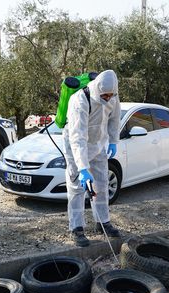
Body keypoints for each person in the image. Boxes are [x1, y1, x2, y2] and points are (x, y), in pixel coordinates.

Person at [63, 70, 121, 247]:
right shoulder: (79, 100)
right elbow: (77, 137)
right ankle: (77, 228)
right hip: (76, 147)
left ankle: (103, 222)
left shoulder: (113, 97)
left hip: (98, 145)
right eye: (105, 95)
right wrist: (82, 168)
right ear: (97, 89)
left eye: (111, 95)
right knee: (77, 188)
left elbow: (115, 120)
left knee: (101, 185)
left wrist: (113, 141)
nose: (108, 98)